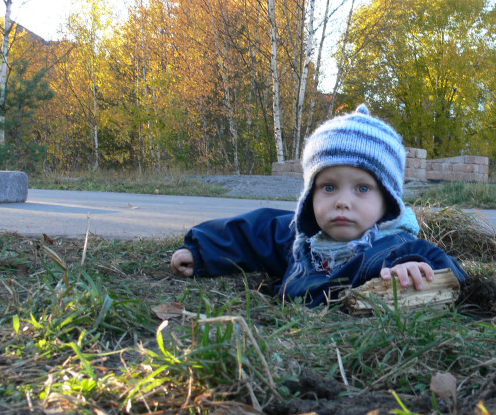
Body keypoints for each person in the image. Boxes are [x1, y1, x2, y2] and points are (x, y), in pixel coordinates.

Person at [171, 105, 466, 307]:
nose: (342, 201)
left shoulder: (395, 248)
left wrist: (417, 270)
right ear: (309, 196)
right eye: (328, 187)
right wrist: (200, 251)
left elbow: (446, 269)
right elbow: (254, 233)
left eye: (362, 188)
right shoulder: (305, 242)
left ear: (387, 199)